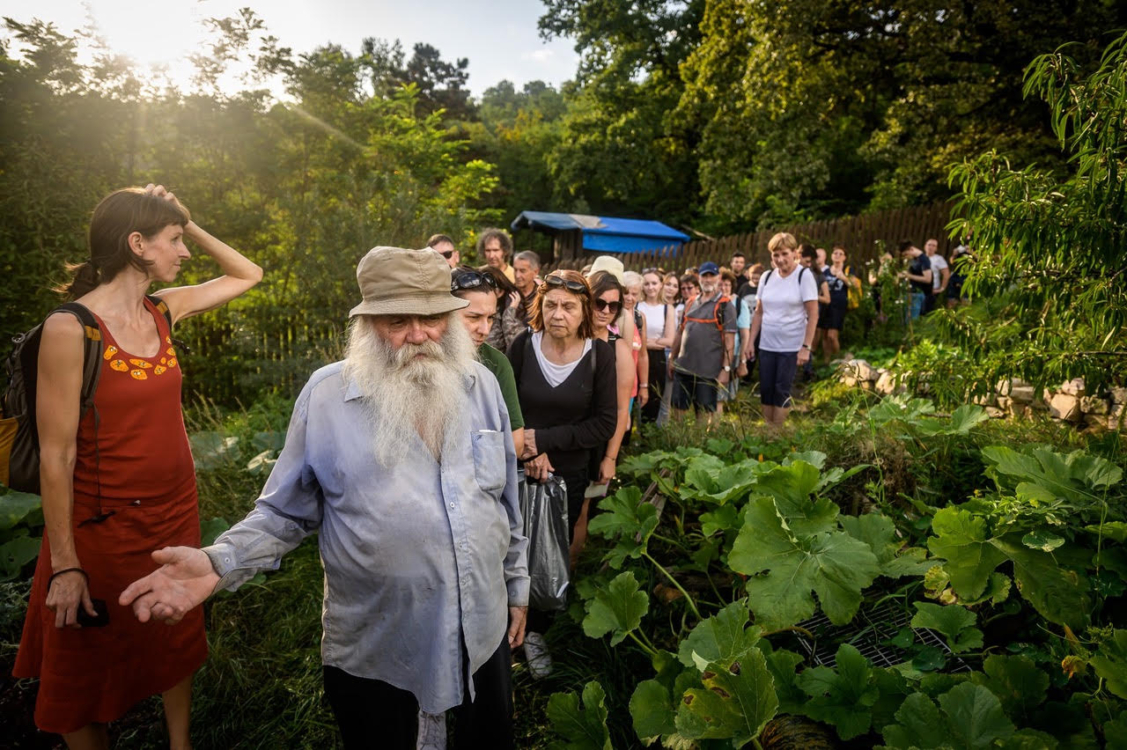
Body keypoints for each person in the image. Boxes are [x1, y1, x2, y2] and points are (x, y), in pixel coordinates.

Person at [119, 247, 528, 750]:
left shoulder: (481, 384)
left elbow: (507, 501)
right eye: (398, 321)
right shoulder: (329, 397)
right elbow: (282, 512)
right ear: (367, 325)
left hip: (480, 639)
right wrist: (218, 562)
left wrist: (517, 585)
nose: (419, 336)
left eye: (433, 319)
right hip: (380, 657)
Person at [14, 184, 263, 749]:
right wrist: (66, 564)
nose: (186, 252)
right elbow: (57, 455)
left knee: (172, 635)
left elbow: (249, 274)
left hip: (173, 511)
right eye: (175, 240)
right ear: (137, 244)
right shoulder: (71, 328)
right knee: (84, 654)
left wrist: (188, 220)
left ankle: (180, 744)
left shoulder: (164, 309)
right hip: (100, 526)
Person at [507, 270, 617, 678]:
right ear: (540, 306)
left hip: (567, 475)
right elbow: (507, 408)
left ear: (584, 310)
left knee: (551, 556)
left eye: (568, 306)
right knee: (508, 547)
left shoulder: (599, 355)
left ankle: (537, 634)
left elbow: (604, 423)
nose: (558, 314)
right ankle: (502, 630)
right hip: (517, 468)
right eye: (550, 304)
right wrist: (527, 448)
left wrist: (545, 441)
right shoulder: (522, 346)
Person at [451, 266, 526, 458]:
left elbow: (516, 444)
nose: (485, 329)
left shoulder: (495, 363)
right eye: (473, 317)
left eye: (491, 318)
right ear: (446, 312)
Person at [748, 233, 819, 429]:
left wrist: (806, 347)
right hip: (767, 343)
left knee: (781, 389)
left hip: (791, 345)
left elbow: (813, 315)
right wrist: (750, 342)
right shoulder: (767, 277)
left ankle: (776, 431)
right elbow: (759, 312)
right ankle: (768, 428)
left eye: (784, 254)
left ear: (795, 253)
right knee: (766, 388)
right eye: (775, 255)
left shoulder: (804, 276)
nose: (780, 259)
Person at [668, 261, 736, 424]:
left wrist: (726, 369)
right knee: (677, 408)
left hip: (708, 371)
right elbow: (680, 331)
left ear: (718, 278)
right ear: (699, 278)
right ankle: (679, 445)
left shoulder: (725, 305)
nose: (707, 280)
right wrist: (672, 357)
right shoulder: (691, 301)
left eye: (711, 276)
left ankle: (702, 445)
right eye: (704, 276)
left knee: (705, 413)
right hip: (683, 367)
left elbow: (729, 340)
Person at [587, 271, 637, 489]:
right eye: (599, 303)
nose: (606, 311)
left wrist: (610, 458)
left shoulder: (620, 349)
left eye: (613, 306)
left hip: (596, 441)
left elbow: (621, 409)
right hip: (561, 437)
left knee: (583, 512)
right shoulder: (568, 338)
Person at [638, 269, 676, 424]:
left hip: (658, 358)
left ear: (661, 285)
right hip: (638, 356)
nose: (650, 287)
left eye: (654, 283)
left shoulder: (667, 308)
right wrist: (655, 341)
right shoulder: (637, 306)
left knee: (654, 398)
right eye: (646, 283)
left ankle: (649, 436)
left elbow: (669, 340)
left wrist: (643, 341)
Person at [817, 245, 858, 364]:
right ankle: (826, 361)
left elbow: (854, 285)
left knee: (832, 335)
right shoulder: (825, 271)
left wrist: (843, 278)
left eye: (840, 254)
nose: (837, 256)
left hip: (839, 306)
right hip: (825, 305)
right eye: (835, 253)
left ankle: (838, 358)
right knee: (825, 334)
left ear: (844, 257)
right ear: (831, 256)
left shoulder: (848, 270)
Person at [718, 267, 751, 408]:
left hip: (734, 351)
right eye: (720, 284)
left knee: (728, 391)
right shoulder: (712, 302)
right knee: (717, 393)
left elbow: (745, 334)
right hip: (714, 351)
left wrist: (743, 360)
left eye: (727, 284)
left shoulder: (739, 304)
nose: (723, 287)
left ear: (732, 286)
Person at [620, 270, 649, 429]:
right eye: (626, 292)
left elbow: (643, 355)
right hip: (612, 384)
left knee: (625, 429)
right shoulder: (611, 314)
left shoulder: (639, 317)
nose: (629, 298)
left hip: (631, 385)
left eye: (634, 293)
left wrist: (644, 386)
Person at [478, 265, 525, 354]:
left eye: (486, 289)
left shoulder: (513, 313)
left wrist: (509, 315)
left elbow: (517, 347)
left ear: (500, 292)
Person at [799, 245, 830, 381]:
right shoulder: (794, 272)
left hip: (809, 313)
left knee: (807, 342)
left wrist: (811, 296)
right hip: (797, 313)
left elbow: (827, 298)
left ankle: (808, 371)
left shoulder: (816, 275)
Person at [899, 240, 932, 320]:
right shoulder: (913, 259)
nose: (906, 257)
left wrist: (909, 276)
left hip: (916, 294)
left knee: (911, 321)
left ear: (911, 249)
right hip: (909, 292)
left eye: (906, 254)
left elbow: (928, 279)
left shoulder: (923, 260)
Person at [512, 250, 541, 324]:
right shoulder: (508, 293)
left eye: (522, 271)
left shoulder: (542, 296)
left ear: (535, 272)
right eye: (515, 270)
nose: (517, 275)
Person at [924, 238, 949, 313]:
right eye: (929, 245)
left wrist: (942, 288)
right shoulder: (920, 258)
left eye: (933, 246)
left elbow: (946, 274)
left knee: (926, 311)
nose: (930, 247)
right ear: (925, 246)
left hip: (932, 289)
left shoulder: (939, 259)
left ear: (936, 249)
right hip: (919, 289)